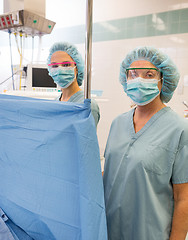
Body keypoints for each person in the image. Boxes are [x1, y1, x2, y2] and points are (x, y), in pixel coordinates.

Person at [103, 46, 188, 240]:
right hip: (109, 230)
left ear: (162, 80)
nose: (139, 80)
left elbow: (183, 198)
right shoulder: (118, 123)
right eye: (133, 74)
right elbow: (114, 174)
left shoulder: (179, 129)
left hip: (149, 232)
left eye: (149, 75)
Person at [47, 42, 100, 127]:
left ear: (77, 68)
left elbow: (86, 138)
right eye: (54, 66)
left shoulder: (87, 105)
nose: (60, 70)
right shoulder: (56, 101)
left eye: (66, 65)